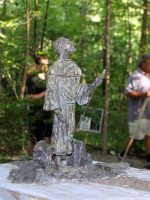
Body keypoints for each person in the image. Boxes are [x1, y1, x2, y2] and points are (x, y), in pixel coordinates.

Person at [43, 37, 103, 168]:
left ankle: (66, 160)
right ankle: (58, 160)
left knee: (69, 131)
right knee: (60, 131)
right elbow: (51, 90)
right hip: (61, 106)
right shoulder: (55, 68)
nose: (73, 48)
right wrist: (55, 108)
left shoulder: (74, 67)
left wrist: (93, 85)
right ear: (64, 47)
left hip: (70, 105)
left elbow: (79, 90)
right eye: (70, 46)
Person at [118, 54, 150, 169]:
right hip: (138, 113)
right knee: (136, 136)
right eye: (149, 63)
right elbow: (128, 92)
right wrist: (143, 94)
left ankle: (149, 159)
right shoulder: (135, 76)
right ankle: (122, 154)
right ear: (143, 63)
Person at [26, 54, 52, 155]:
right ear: (37, 64)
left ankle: (47, 161)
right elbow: (29, 97)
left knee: (48, 137)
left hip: (47, 112)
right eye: (43, 64)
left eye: (47, 64)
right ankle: (29, 161)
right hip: (35, 113)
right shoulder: (31, 77)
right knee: (35, 139)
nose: (46, 67)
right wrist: (45, 93)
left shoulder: (46, 77)